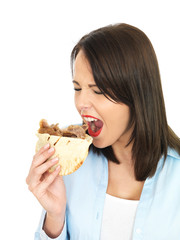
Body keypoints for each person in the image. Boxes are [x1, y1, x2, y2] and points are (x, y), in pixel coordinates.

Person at [26, 23, 180, 240]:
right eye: (78, 88)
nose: (81, 103)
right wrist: (55, 215)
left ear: (136, 93)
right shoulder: (71, 168)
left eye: (97, 90)